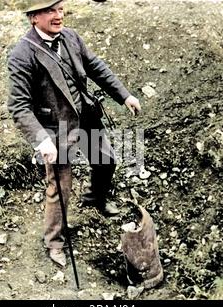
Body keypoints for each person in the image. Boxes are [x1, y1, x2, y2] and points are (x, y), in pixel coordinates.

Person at [7, 0, 141, 267]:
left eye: (60, 9)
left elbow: (96, 67)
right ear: (34, 17)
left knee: (106, 160)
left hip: (86, 118)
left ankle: (95, 199)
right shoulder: (22, 54)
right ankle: (55, 242)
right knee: (60, 189)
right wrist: (42, 140)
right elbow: (19, 106)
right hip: (55, 130)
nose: (58, 16)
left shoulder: (71, 37)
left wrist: (124, 95)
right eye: (50, 11)